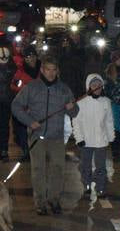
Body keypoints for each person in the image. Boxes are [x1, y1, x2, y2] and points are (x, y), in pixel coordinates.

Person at [11, 56, 79, 215]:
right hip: (37, 136)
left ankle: (54, 200)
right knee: (38, 169)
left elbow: (75, 112)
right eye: (47, 69)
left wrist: (71, 107)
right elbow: (16, 106)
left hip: (56, 137)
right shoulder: (32, 88)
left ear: (57, 71)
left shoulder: (63, 89)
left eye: (53, 70)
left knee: (57, 168)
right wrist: (30, 121)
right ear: (42, 70)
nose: (50, 73)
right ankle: (40, 202)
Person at [72, 73, 115, 199]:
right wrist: (79, 138)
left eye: (99, 85)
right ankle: (86, 185)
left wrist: (110, 136)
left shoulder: (106, 102)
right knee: (86, 166)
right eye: (93, 84)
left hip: (101, 140)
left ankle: (101, 187)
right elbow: (76, 121)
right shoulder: (81, 103)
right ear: (89, 86)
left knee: (101, 166)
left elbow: (109, 120)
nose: (96, 87)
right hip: (86, 140)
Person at [10, 47, 40, 161]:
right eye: (28, 57)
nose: (31, 59)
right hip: (24, 107)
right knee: (22, 130)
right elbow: (13, 86)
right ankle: (26, 151)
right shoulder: (19, 73)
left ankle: (37, 150)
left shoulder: (42, 71)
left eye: (33, 57)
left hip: (38, 107)